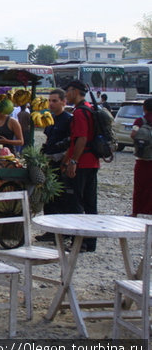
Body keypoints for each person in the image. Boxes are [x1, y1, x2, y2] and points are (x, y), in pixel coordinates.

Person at [63, 79, 100, 252]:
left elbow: (82, 138)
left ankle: (79, 242)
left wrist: (73, 162)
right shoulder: (89, 108)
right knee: (90, 203)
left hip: (82, 163)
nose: (66, 95)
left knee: (76, 202)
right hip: (92, 161)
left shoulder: (79, 113)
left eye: (68, 91)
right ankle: (90, 242)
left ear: (76, 91)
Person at [35, 89, 73, 242]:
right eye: (50, 100)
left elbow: (72, 141)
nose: (51, 104)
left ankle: (64, 231)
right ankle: (50, 230)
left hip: (61, 162)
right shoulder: (49, 118)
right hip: (49, 161)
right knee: (49, 197)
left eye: (55, 101)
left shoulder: (68, 119)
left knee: (62, 197)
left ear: (64, 102)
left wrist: (66, 160)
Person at [131, 98, 152, 216]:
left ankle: (137, 212)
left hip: (142, 159)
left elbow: (133, 134)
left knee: (140, 188)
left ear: (144, 108)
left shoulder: (140, 121)